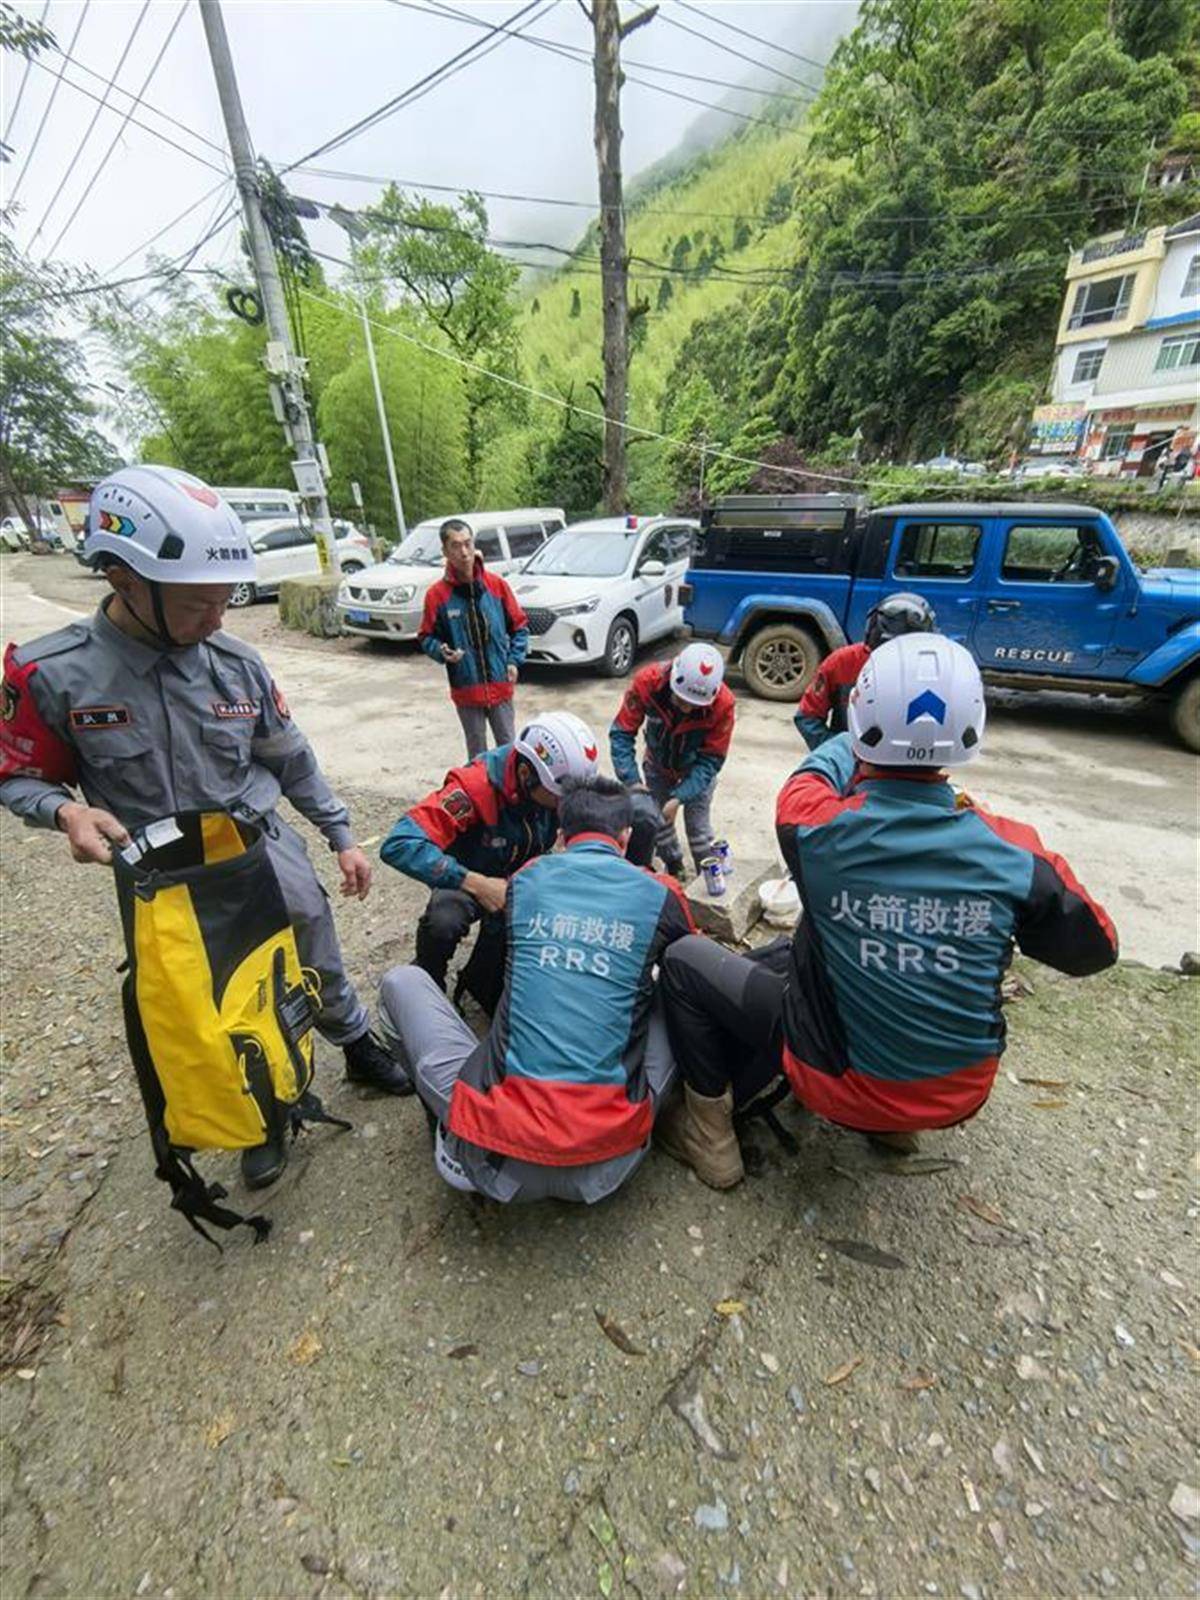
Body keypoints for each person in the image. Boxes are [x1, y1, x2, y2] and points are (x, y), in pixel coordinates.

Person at [0, 466, 410, 1190]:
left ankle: (353, 1043)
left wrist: (341, 835)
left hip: (258, 846)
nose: (219, 618)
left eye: (225, 600)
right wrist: (64, 810)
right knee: (202, 1003)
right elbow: (17, 774)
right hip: (163, 880)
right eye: (199, 604)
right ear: (125, 579)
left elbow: (290, 758)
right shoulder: (51, 676)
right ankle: (261, 1112)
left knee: (312, 940)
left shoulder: (236, 665)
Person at [659, 633, 1117, 1188]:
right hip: (959, 1093)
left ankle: (710, 1136)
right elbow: (1096, 949)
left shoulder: (812, 828)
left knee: (686, 958)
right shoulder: (1015, 854)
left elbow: (809, 780)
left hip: (831, 1080)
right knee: (817, 942)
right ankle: (895, 1127)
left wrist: (855, 737)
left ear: (860, 719)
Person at [377, 776, 697, 1202]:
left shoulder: (527, 879)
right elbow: (689, 963)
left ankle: (446, 1127)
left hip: (494, 1160)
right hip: (607, 1166)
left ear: (562, 837)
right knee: (675, 987)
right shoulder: (663, 892)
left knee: (401, 981)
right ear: (626, 837)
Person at [379, 710, 599, 1014]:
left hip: (518, 876)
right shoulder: (473, 788)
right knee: (443, 922)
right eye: (558, 797)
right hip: (467, 877)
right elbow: (399, 844)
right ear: (525, 775)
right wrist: (478, 884)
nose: (564, 805)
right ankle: (426, 987)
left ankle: (480, 979)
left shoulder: (556, 786)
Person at [609, 641, 735, 878]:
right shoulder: (648, 682)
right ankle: (675, 867)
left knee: (699, 832)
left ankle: (706, 879)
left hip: (696, 772)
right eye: (680, 700)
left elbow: (711, 760)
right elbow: (621, 733)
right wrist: (633, 782)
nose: (686, 708)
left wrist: (680, 797)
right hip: (657, 766)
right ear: (672, 679)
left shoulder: (724, 705)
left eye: (694, 705)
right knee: (658, 823)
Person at [419, 518, 529, 760]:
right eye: (456, 546)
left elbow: (520, 627)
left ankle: (509, 798)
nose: (464, 552)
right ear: (445, 551)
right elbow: (426, 636)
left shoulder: (497, 586)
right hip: (466, 691)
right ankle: (481, 798)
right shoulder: (437, 596)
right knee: (477, 756)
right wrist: (441, 651)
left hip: (501, 686)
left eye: (468, 543)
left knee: (509, 753)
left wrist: (513, 661)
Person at [795, 593, 936, 751]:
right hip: (852, 761)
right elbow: (807, 717)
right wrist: (840, 751)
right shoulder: (843, 662)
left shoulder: (931, 673)